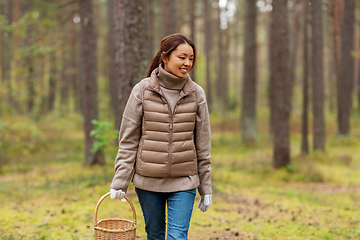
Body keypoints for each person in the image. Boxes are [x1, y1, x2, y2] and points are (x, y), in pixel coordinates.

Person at [109, 33, 212, 240]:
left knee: (177, 236)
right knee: (155, 235)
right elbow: (128, 141)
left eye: (191, 58)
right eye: (182, 57)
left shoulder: (196, 93)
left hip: (184, 181)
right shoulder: (142, 90)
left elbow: (203, 145)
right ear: (165, 57)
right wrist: (120, 181)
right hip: (148, 182)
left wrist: (206, 186)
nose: (187, 63)